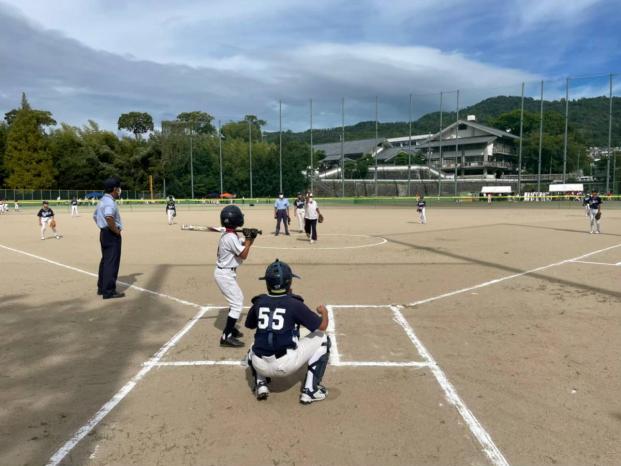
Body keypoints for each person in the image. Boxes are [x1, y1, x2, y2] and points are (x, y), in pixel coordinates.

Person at [245, 259, 331, 404]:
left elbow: (249, 325)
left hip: (259, 363)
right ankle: (311, 390)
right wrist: (324, 313)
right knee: (323, 339)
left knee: (256, 342)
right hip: (284, 365)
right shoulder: (294, 303)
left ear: (267, 283)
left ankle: (261, 384)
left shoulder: (259, 302)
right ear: (288, 282)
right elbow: (322, 326)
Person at [214, 205, 256, 347]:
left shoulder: (230, 235)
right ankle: (226, 337)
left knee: (235, 301)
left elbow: (242, 244)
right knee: (237, 303)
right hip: (224, 274)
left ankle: (231, 330)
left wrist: (250, 238)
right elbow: (243, 254)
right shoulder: (230, 237)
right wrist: (249, 241)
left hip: (226, 273)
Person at [93, 177, 125, 299]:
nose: (119, 191)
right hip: (111, 234)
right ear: (115, 189)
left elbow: (95, 216)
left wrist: (103, 228)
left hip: (104, 233)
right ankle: (109, 291)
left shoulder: (101, 200)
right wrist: (115, 230)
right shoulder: (110, 202)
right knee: (112, 262)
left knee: (106, 261)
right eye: (118, 188)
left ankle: (101, 287)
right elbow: (109, 217)